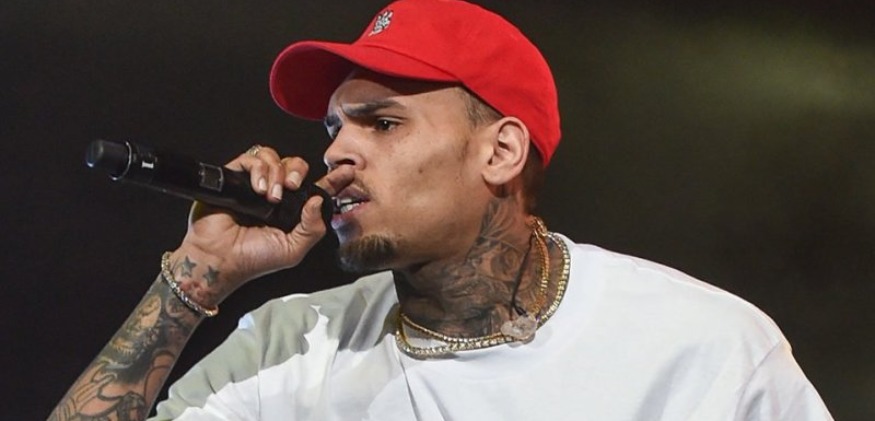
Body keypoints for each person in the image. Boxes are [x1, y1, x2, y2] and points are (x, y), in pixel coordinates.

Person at [50, 0, 833, 420]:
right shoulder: (287, 350)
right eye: (333, 129)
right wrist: (194, 277)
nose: (335, 153)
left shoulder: (701, 346)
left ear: (500, 151)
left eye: (382, 124)